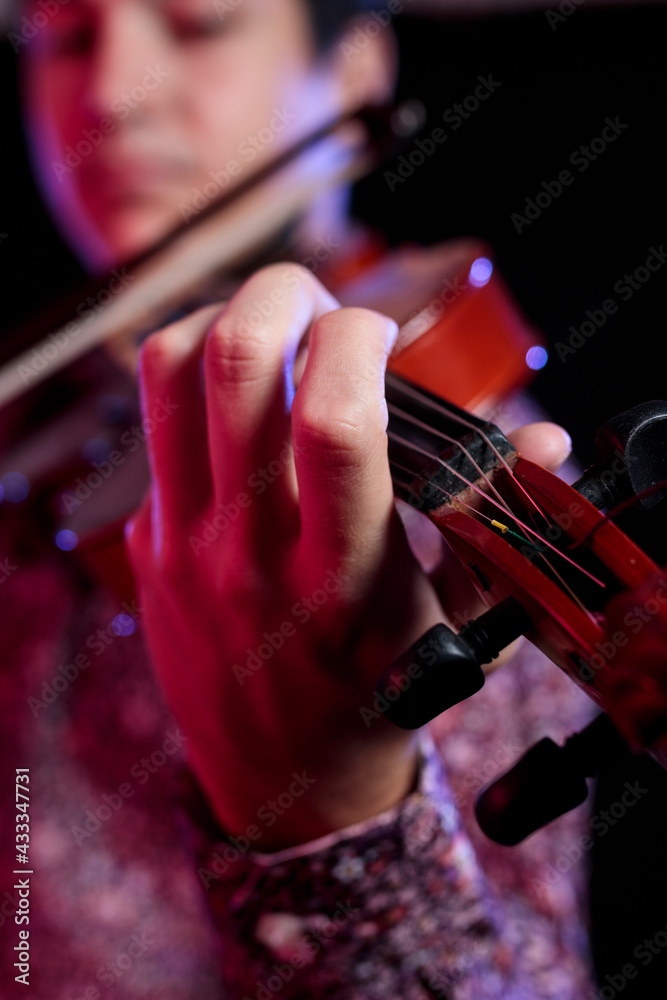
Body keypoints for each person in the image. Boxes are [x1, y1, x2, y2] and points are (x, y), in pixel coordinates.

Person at [1, 0, 600, 996]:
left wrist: (331, 816)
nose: (109, 93)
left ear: (357, 67)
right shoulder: (48, 424)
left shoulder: (426, 497)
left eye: (197, 24)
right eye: (64, 36)